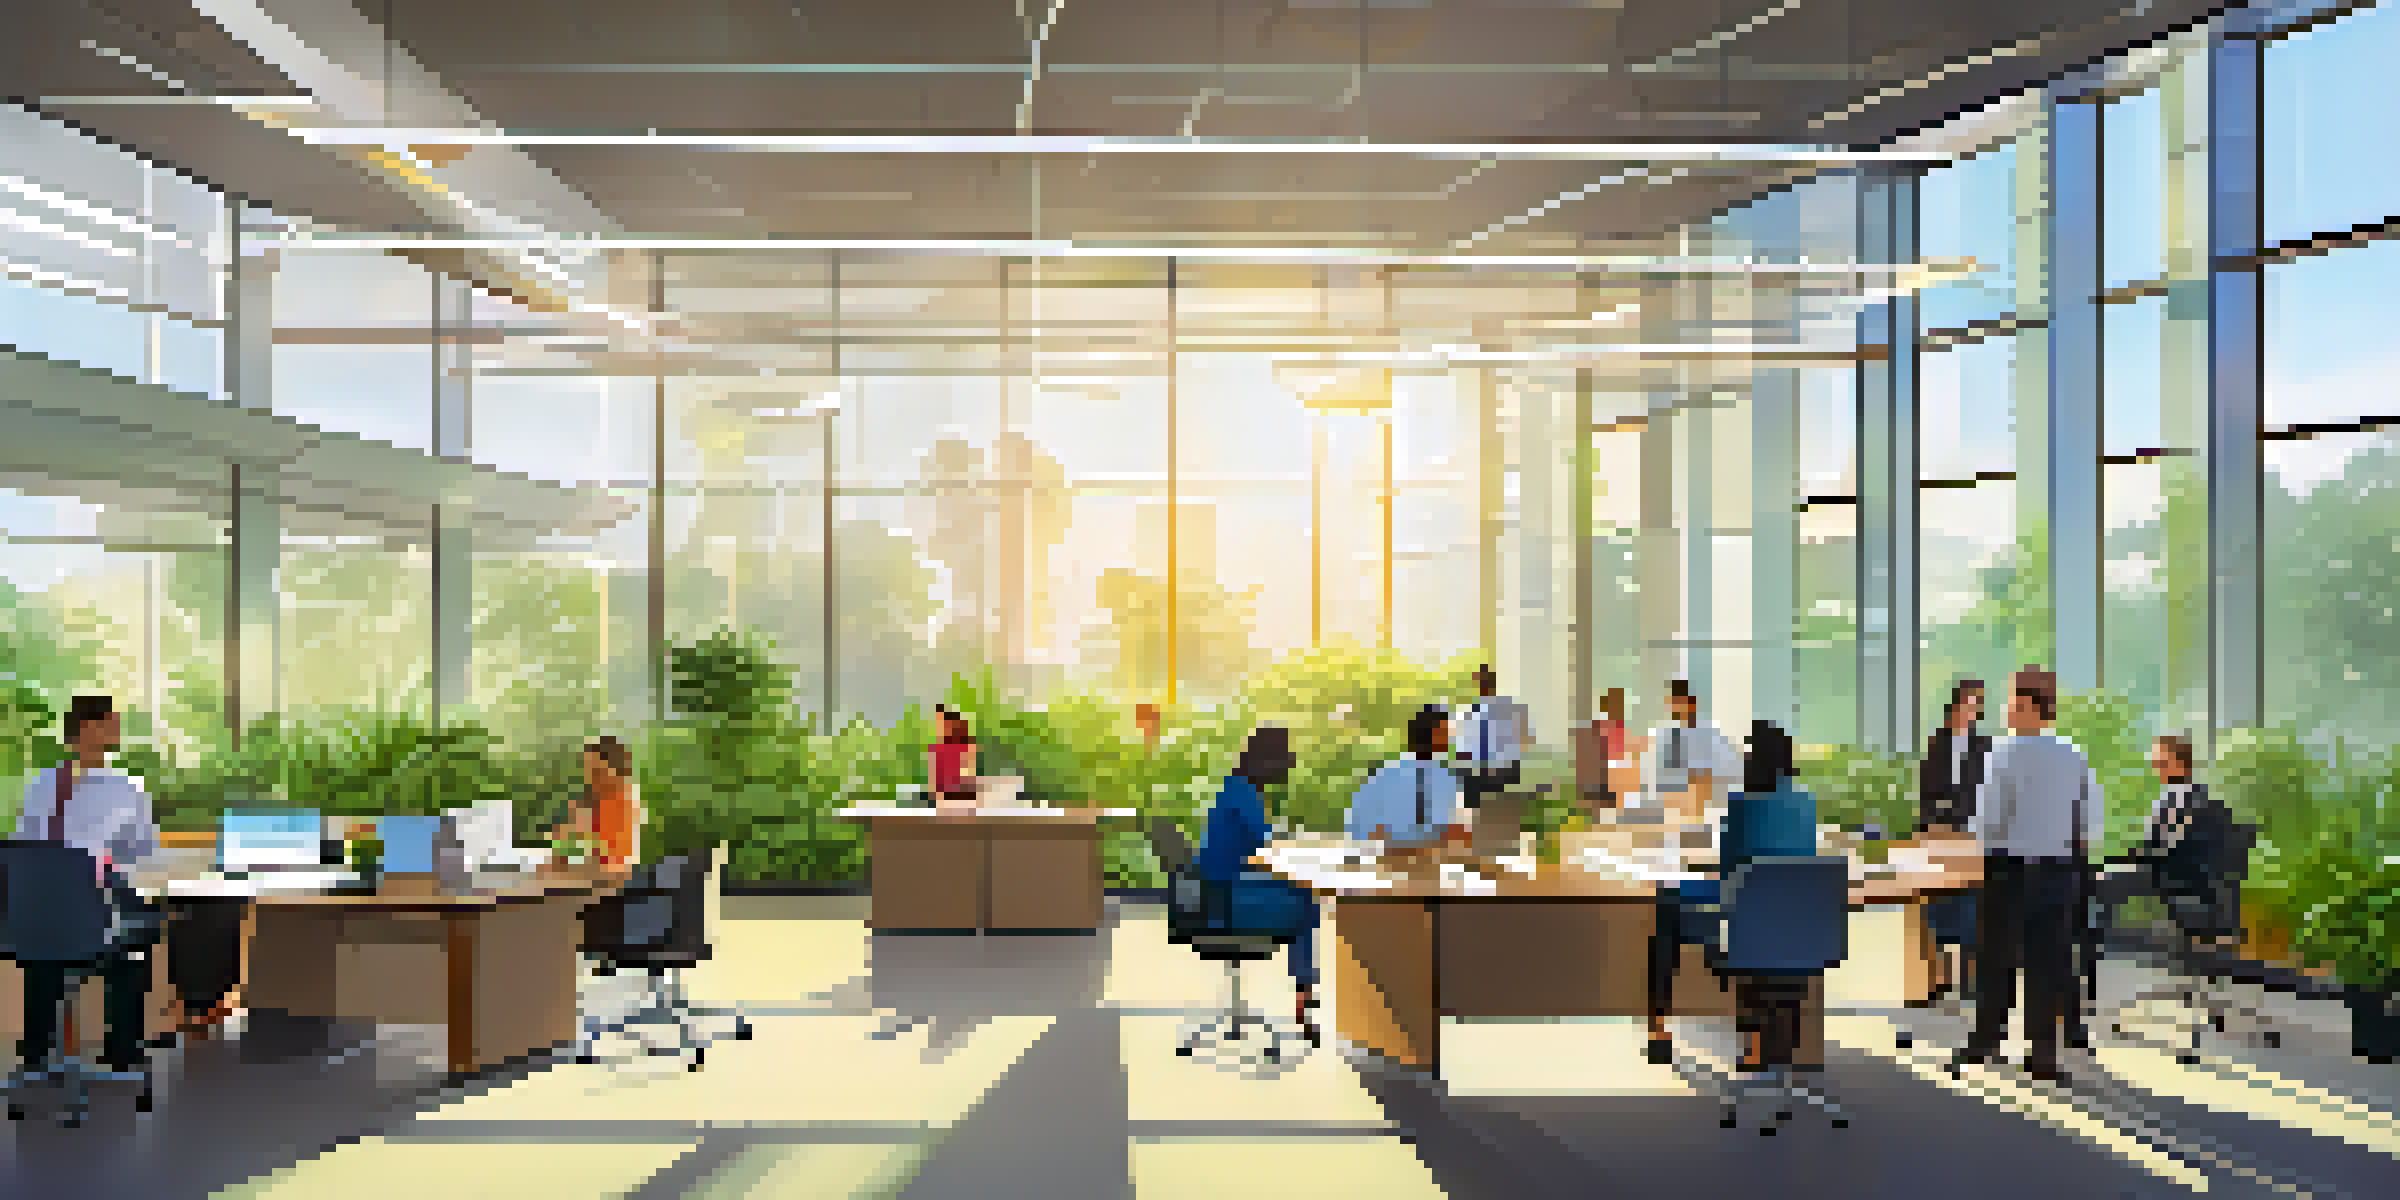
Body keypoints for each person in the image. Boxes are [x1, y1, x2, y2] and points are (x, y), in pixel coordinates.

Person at [1955, 667, 2107, 1085]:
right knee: (2047, 963)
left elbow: (1989, 820)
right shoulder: (2074, 753)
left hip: (2010, 868)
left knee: (1995, 958)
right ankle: (2042, 1055)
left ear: (2028, 706)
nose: (2005, 709)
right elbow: (2091, 821)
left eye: (2011, 702)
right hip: (2059, 871)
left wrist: (1978, 852)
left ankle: (1987, 1039)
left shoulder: (2002, 753)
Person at [11, 695, 159, 1075]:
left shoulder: (42, 781)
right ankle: (123, 1053)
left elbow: (20, 848)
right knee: (139, 940)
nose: (118, 729)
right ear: (92, 729)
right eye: (112, 722)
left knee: (45, 945)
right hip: (91, 910)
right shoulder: (126, 786)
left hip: (30, 920)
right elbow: (142, 852)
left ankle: (35, 1056)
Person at [1635, 717, 1756, 1067]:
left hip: (1734, 923)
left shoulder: (1739, 815)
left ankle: (1658, 1031)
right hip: (1781, 930)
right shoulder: (1800, 807)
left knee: (1667, 907)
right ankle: (1758, 1041)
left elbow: (1723, 870)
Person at [1193, 726, 1320, 1036]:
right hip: (1225, 900)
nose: (1285, 770)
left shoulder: (1236, 787)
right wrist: (1298, 841)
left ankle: (1304, 995)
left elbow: (1255, 846)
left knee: (1301, 896)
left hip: (1215, 893)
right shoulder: (1245, 793)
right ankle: (1303, 999)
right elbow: (1265, 845)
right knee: (1306, 901)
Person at [2093, 735, 2236, 936]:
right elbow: (2155, 842)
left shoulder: (2195, 800)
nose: (2157, 768)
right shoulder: (2170, 796)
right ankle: (2092, 939)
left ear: (2181, 764)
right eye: (2155, 763)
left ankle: (2090, 941)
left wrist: (2126, 859)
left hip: (2176, 872)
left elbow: (2169, 845)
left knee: (2102, 881)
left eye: (2162, 763)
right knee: (2100, 877)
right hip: (2161, 865)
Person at [1918, 680, 1991, 1001]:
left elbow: (1986, 792)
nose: (1969, 711)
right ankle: (1938, 978)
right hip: (1938, 834)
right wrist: (1935, 819)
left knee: (1970, 905)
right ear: (1954, 707)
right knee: (1936, 904)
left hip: (1972, 835)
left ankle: (1971, 978)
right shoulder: (1937, 742)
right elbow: (1927, 791)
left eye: (1975, 705)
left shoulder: (1985, 744)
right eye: (1965, 704)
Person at [1345, 705, 1466, 849]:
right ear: (1427, 733)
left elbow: (1450, 826)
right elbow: (1359, 821)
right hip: (1391, 852)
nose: (1448, 738)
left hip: (1431, 853)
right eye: (1443, 732)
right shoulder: (1388, 774)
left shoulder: (1446, 778)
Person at [1645, 679, 1739, 821]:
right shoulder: (1667, 737)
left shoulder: (1711, 734)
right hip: (1674, 808)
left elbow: (1730, 773)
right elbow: (1658, 780)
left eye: (1679, 702)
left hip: (1706, 808)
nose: (1675, 708)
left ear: (1691, 703)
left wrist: (1701, 782)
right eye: (1672, 704)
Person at [1454, 665, 1531, 812]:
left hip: (1502, 770)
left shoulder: (1510, 710)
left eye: (1484, 681)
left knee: (1498, 810)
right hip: (1480, 772)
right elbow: (1463, 747)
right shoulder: (1469, 713)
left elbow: (1523, 739)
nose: (1482, 686)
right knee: (1481, 811)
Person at [554, 736, 641, 865]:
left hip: (612, 872)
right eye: (587, 769)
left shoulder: (623, 797)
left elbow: (615, 856)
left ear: (614, 767)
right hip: (591, 868)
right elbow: (564, 845)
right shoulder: (594, 799)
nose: (589, 776)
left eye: (595, 770)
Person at [1573, 688, 1632, 816]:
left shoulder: (1619, 726)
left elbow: (1621, 754)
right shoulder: (1597, 728)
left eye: (1620, 705)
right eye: (1616, 704)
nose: (1618, 708)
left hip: (1612, 777)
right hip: (1601, 777)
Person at [926, 706, 979, 804]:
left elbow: (969, 771)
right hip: (943, 795)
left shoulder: (966, 747)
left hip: (961, 794)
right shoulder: (936, 748)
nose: (939, 726)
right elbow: (933, 773)